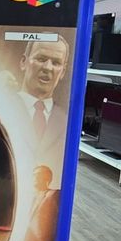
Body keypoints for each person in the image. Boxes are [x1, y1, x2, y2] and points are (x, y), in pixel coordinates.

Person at [18, 36, 70, 187]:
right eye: (41, 59)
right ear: (24, 62)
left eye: (56, 63)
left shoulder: (67, 120)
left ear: (63, 72)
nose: (48, 67)